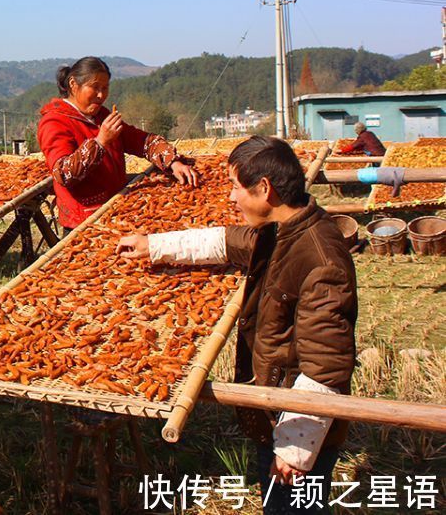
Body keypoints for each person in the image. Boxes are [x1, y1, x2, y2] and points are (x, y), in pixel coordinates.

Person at [116, 136, 357, 514]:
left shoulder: (321, 260)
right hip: (276, 405)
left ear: (265, 189)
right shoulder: (284, 228)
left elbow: (325, 366)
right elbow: (229, 241)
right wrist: (155, 245)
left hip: (296, 414)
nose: (230, 197)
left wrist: (294, 448)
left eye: (235, 187)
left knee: (290, 508)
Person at [37, 56, 199, 232]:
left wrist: (172, 161)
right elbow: (63, 174)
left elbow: (141, 141)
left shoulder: (101, 116)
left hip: (117, 210)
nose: (101, 95)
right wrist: (100, 142)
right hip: (84, 221)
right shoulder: (54, 122)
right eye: (95, 87)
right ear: (74, 85)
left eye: (105, 88)